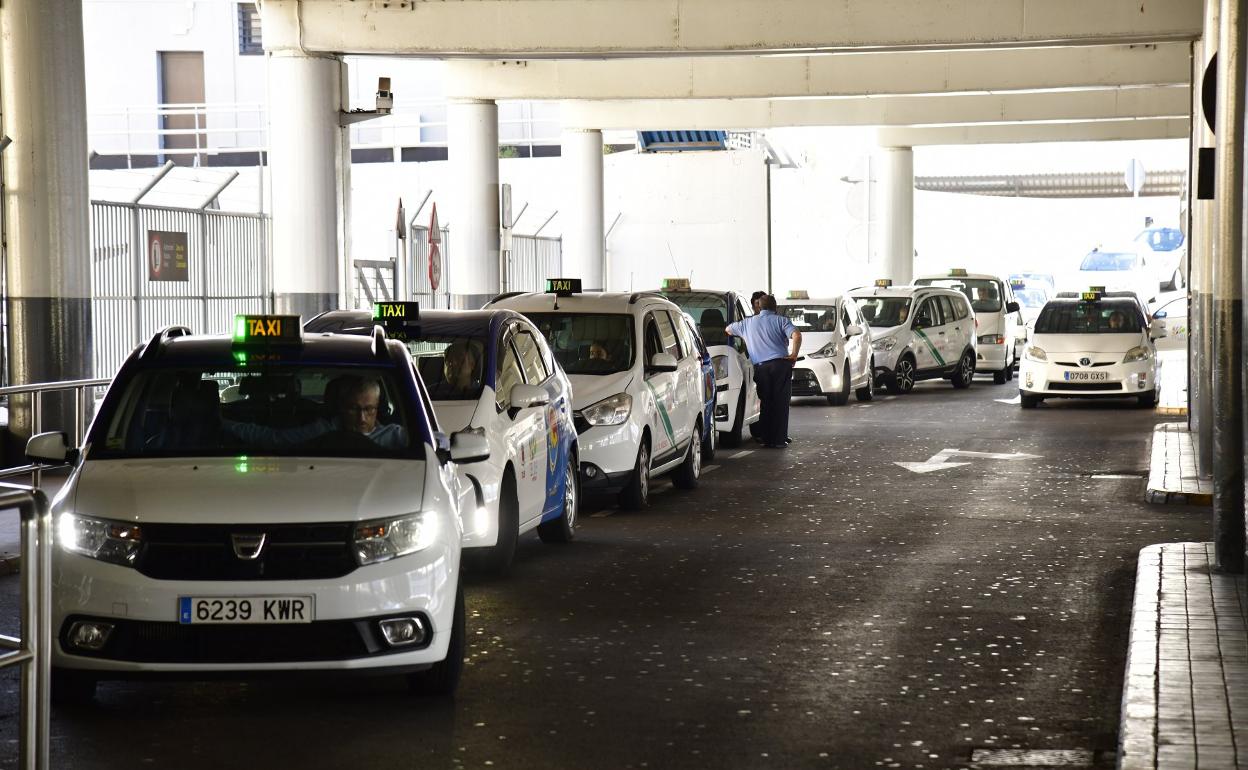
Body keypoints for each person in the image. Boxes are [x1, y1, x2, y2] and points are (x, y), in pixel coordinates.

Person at [224, 375, 407, 450]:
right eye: (353, 409)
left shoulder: (395, 436)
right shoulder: (322, 431)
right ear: (342, 407)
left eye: (369, 409)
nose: (361, 417)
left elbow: (430, 441)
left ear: (378, 407)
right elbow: (275, 438)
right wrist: (224, 424)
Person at [726, 294, 801, 449]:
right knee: (781, 403)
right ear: (775, 307)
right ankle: (779, 440)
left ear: (759, 307)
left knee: (766, 403)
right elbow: (797, 335)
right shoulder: (781, 321)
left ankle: (767, 439)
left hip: (761, 368)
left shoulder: (746, 323)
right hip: (781, 365)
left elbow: (728, 330)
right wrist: (794, 354)